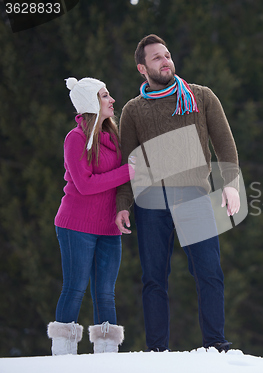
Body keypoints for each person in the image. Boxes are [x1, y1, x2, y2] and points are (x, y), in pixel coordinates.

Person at [115, 34, 240, 353]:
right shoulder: (132, 111)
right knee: (154, 278)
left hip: (194, 197)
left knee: (209, 271)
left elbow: (224, 143)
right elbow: (127, 163)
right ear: (142, 68)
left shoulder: (200, 96)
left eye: (167, 54)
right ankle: (156, 349)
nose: (165, 60)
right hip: (150, 203)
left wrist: (230, 183)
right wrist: (123, 204)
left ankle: (216, 342)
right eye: (156, 57)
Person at [47, 77, 134, 355]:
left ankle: (106, 360)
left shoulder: (114, 138)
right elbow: (84, 185)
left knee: (105, 293)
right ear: (91, 103)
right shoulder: (76, 138)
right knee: (75, 288)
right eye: (105, 96)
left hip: (109, 226)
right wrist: (130, 169)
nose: (112, 100)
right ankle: (63, 356)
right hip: (76, 225)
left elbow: (117, 182)